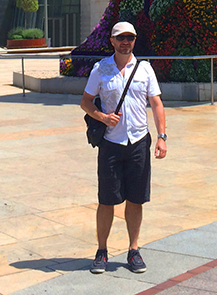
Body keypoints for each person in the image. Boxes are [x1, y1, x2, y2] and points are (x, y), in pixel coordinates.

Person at [80, 21, 167, 275]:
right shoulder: (101, 69)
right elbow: (86, 102)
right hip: (111, 143)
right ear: (112, 40)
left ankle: (133, 249)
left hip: (139, 142)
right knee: (106, 200)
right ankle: (102, 251)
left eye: (129, 37)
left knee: (135, 199)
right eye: (120, 38)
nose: (125, 42)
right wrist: (103, 118)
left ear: (135, 40)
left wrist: (162, 136)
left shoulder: (145, 70)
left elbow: (157, 104)